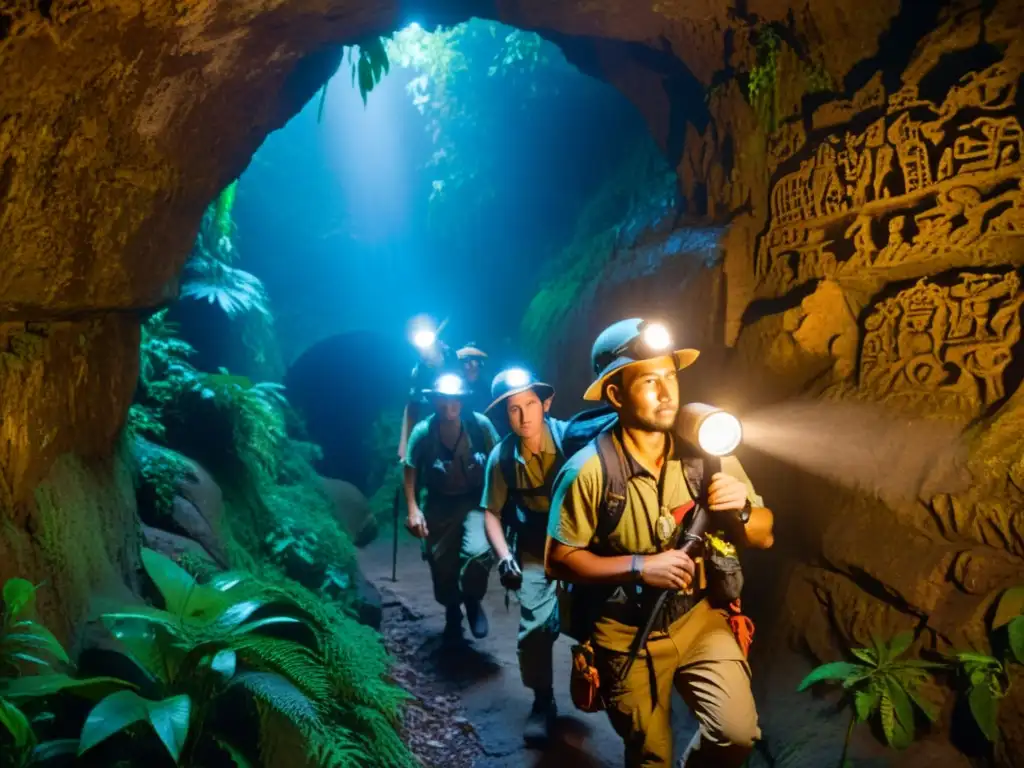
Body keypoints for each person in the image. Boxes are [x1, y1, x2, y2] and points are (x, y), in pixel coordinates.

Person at [545, 318, 775, 768]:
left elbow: (765, 534)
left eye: (670, 377)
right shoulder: (588, 472)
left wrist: (743, 511)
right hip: (623, 631)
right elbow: (559, 560)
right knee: (651, 755)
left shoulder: (708, 455)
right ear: (615, 394)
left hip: (698, 618)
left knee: (737, 733)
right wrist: (639, 566)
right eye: (649, 381)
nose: (667, 393)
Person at [480, 367, 566, 744]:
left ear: (545, 403)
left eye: (531, 403)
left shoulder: (572, 441)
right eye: (514, 408)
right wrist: (504, 556)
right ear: (505, 415)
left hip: (585, 544)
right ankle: (543, 699)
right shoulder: (501, 459)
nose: (524, 415)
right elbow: (491, 512)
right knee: (534, 629)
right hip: (533, 546)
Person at [404, 370, 500, 645]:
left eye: (454, 400)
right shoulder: (424, 432)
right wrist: (413, 508)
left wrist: (502, 502)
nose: (449, 406)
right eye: (443, 400)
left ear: (462, 401)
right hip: (438, 502)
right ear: (434, 401)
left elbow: (499, 460)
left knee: (478, 553)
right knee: (441, 563)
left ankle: (472, 600)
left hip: (473, 501)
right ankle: (452, 613)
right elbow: (410, 468)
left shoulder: (479, 427)